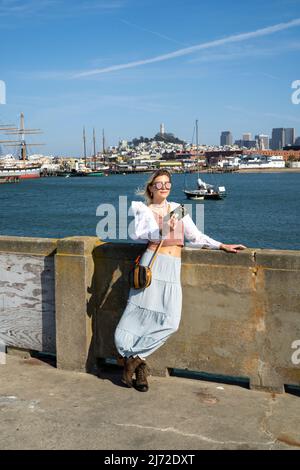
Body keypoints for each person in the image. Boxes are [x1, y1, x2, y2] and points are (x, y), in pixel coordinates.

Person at [114, 169, 246, 392]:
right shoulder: (143, 210)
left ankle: (135, 358)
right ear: (151, 188)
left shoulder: (179, 209)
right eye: (159, 184)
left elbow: (195, 237)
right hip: (152, 267)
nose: (163, 187)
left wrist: (221, 245)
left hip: (172, 268)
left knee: (171, 321)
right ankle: (139, 369)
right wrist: (164, 227)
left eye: (167, 183)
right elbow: (138, 235)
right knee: (136, 317)